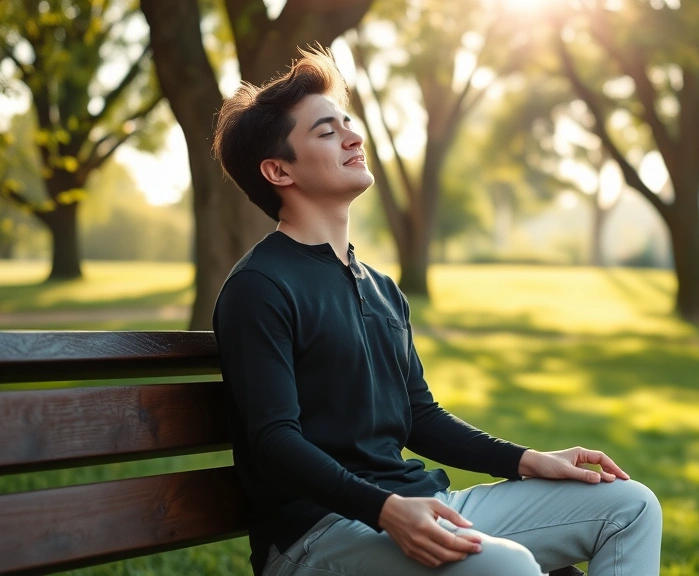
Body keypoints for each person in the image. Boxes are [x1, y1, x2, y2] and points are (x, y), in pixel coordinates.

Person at [211, 47, 662, 576]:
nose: (354, 138)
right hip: (319, 537)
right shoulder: (260, 287)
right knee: (507, 566)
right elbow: (274, 442)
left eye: (348, 124)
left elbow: (420, 416)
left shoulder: (378, 287)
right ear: (278, 170)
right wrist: (384, 510)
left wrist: (525, 460)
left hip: (420, 505)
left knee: (630, 506)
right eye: (326, 132)